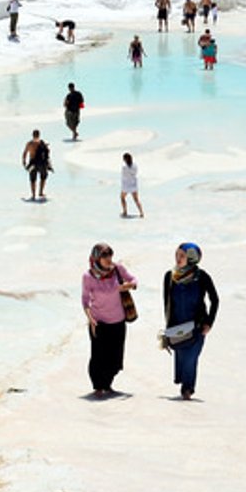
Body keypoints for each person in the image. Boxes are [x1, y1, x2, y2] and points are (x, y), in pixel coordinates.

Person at [161, 242, 220, 400]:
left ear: (192, 258)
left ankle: (188, 390)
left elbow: (214, 300)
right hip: (177, 325)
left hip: (197, 326)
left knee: (191, 358)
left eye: (182, 255)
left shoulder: (202, 277)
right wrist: (167, 330)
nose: (178, 258)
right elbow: (166, 303)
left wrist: (209, 322)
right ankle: (183, 383)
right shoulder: (170, 276)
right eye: (177, 254)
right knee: (180, 354)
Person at [81, 243, 137, 398]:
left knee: (115, 358)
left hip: (118, 321)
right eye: (104, 256)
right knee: (98, 356)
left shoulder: (118, 269)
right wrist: (90, 317)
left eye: (110, 255)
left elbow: (133, 279)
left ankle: (108, 384)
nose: (108, 259)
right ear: (97, 258)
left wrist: (129, 285)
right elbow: (85, 300)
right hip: (98, 321)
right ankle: (98, 387)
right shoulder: (88, 277)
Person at [22, 130, 52, 200]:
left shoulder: (29, 144)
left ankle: (33, 195)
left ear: (32, 135)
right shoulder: (42, 143)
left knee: (33, 179)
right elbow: (47, 154)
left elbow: (25, 153)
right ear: (39, 135)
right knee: (43, 177)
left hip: (33, 163)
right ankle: (41, 192)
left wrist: (24, 162)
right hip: (41, 163)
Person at [120, 153, 143, 218]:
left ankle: (125, 211)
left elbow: (124, 175)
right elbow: (135, 173)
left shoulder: (124, 167)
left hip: (126, 185)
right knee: (136, 200)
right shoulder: (135, 166)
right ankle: (141, 212)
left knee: (122, 198)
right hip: (133, 184)